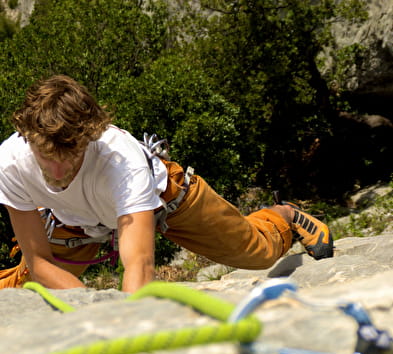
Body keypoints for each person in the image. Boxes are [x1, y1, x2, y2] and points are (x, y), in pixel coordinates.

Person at [0, 75, 333, 293]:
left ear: (90, 135)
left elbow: (139, 263)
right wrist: (87, 308)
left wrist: (126, 324)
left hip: (167, 201)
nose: (57, 172)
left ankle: (284, 216)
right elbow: (38, 261)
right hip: (76, 222)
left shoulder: (120, 159)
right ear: (27, 138)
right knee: (22, 290)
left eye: (70, 156)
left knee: (256, 253)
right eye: (46, 157)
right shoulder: (10, 162)